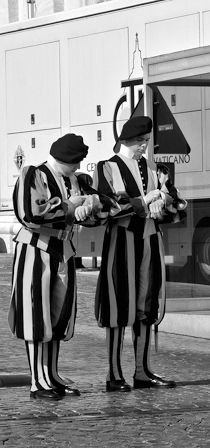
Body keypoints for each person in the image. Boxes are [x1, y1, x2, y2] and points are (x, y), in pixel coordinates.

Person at [8, 133, 114, 400]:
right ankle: (38, 380)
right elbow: (29, 214)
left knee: (58, 317)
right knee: (36, 316)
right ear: (64, 158)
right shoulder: (34, 175)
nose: (78, 167)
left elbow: (106, 206)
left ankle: (52, 375)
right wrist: (69, 207)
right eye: (75, 161)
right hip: (37, 249)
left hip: (64, 250)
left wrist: (90, 205)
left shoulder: (77, 180)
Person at [93, 116, 176, 392]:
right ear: (126, 140)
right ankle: (114, 374)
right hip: (122, 240)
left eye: (146, 141)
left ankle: (142, 371)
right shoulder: (108, 167)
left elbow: (174, 202)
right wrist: (145, 200)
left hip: (149, 238)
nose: (144, 146)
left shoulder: (155, 168)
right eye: (140, 141)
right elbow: (109, 206)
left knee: (147, 305)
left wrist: (163, 199)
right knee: (118, 305)